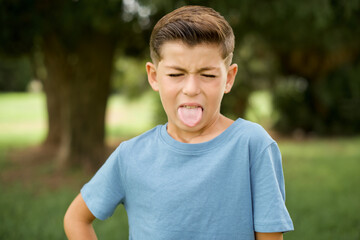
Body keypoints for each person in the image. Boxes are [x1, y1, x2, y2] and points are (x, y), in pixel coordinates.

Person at [64, 5, 294, 240]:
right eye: (176, 74)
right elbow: (76, 219)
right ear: (154, 76)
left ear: (229, 78)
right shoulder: (131, 155)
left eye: (208, 75)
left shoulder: (252, 145)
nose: (191, 89)